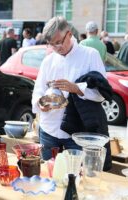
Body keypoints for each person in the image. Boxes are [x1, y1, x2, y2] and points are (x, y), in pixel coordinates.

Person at [32, 16, 112, 171]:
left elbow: (102, 94)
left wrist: (76, 88)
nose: (56, 47)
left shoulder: (90, 55)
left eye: (58, 42)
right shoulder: (48, 61)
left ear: (69, 34)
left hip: (76, 133)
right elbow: (38, 91)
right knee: (48, 174)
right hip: (48, 128)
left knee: (74, 178)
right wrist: (41, 104)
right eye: (51, 44)